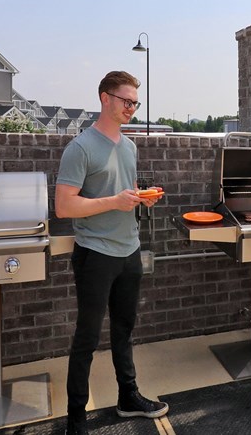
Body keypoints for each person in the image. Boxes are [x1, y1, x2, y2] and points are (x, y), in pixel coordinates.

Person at [55, 71, 167, 435]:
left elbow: (124, 191)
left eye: (135, 102)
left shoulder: (130, 146)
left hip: (129, 249)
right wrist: (115, 201)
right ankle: (76, 418)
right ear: (105, 98)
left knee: (124, 329)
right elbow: (64, 207)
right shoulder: (80, 148)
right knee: (87, 337)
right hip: (95, 253)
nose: (131, 108)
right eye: (126, 101)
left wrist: (139, 198)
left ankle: (128, 397)